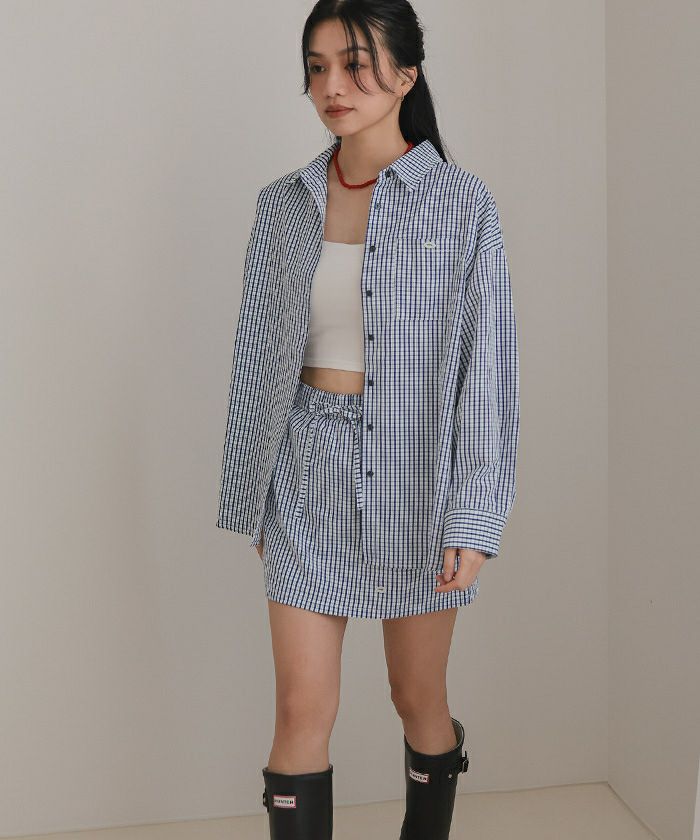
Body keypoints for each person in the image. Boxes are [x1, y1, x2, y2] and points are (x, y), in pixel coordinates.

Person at [216, 2, 520, 837]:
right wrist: (254, 493)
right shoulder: (283, 206)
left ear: (407, 74)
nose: (332, 86)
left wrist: (475, 517)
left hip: (419, 476)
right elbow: (255, 354)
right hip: (305, 469)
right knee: (299, 708)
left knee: (416, 697)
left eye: (354, 64)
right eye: (317, 67)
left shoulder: (462, 205)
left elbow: (489, 375)